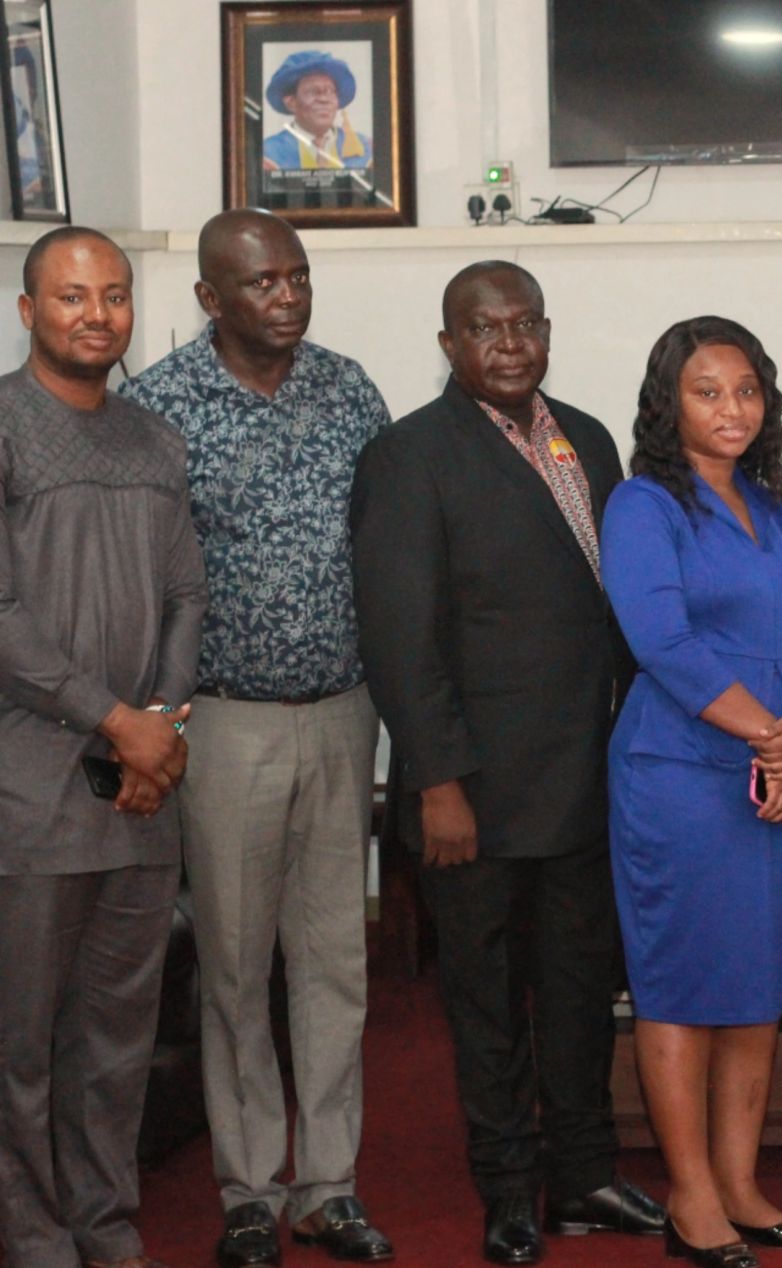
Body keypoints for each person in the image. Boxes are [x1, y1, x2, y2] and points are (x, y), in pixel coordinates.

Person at [349, 262, 663, 1265]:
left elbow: (614, 611)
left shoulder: (589, 435)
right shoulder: (411, 455)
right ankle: (506, 1189)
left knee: (577, 991)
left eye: (526, 322)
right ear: (449, 343)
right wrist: (435, 779)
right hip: (472, 794)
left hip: (584, 779)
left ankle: (582, 1173)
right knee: (486, 1004)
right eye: (486, 328)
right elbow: (401, 638)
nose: (511, 342)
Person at [120, 210, 394, 1267]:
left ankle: (329, 1186)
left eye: (298, 276)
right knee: (235, 966)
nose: (288, 296)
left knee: (334, 962)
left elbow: (386, 542)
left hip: (342, 709)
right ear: (209, 298)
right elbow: (143, 576)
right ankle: (249, 1188)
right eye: (263, 282)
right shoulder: (160, 408)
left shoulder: (349, 388)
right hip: (223, 719)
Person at [601, 316, 782, 1268]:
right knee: (680, 988)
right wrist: (771, 741)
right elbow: (663, 643)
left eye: (746, 390)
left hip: (776, 780)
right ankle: (691, 1196)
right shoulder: (641, 505)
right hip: (683, 780)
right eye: (708, 391)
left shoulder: (774, 508)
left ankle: (741, 1183)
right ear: (670, 404)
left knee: (753, 988)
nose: (731, 409)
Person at [0, 226, 205, 1268]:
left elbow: (183, 591)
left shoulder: (155, 438)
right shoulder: (2, 425)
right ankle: (34, 1240)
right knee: (22, 1042)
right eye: (73, 295)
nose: (98, 314)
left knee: (115, 1041)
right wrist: (110, 716)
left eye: (115, 295)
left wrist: (159, 722)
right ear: (30, 310)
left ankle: (104, 1227)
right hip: (30, 783)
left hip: (142, 787)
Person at [261, 51, 371, 173]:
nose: (324, 99)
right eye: (312, 91)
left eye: (330, 91)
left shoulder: (366, 149)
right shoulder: (269, 153)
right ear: (291, 102)